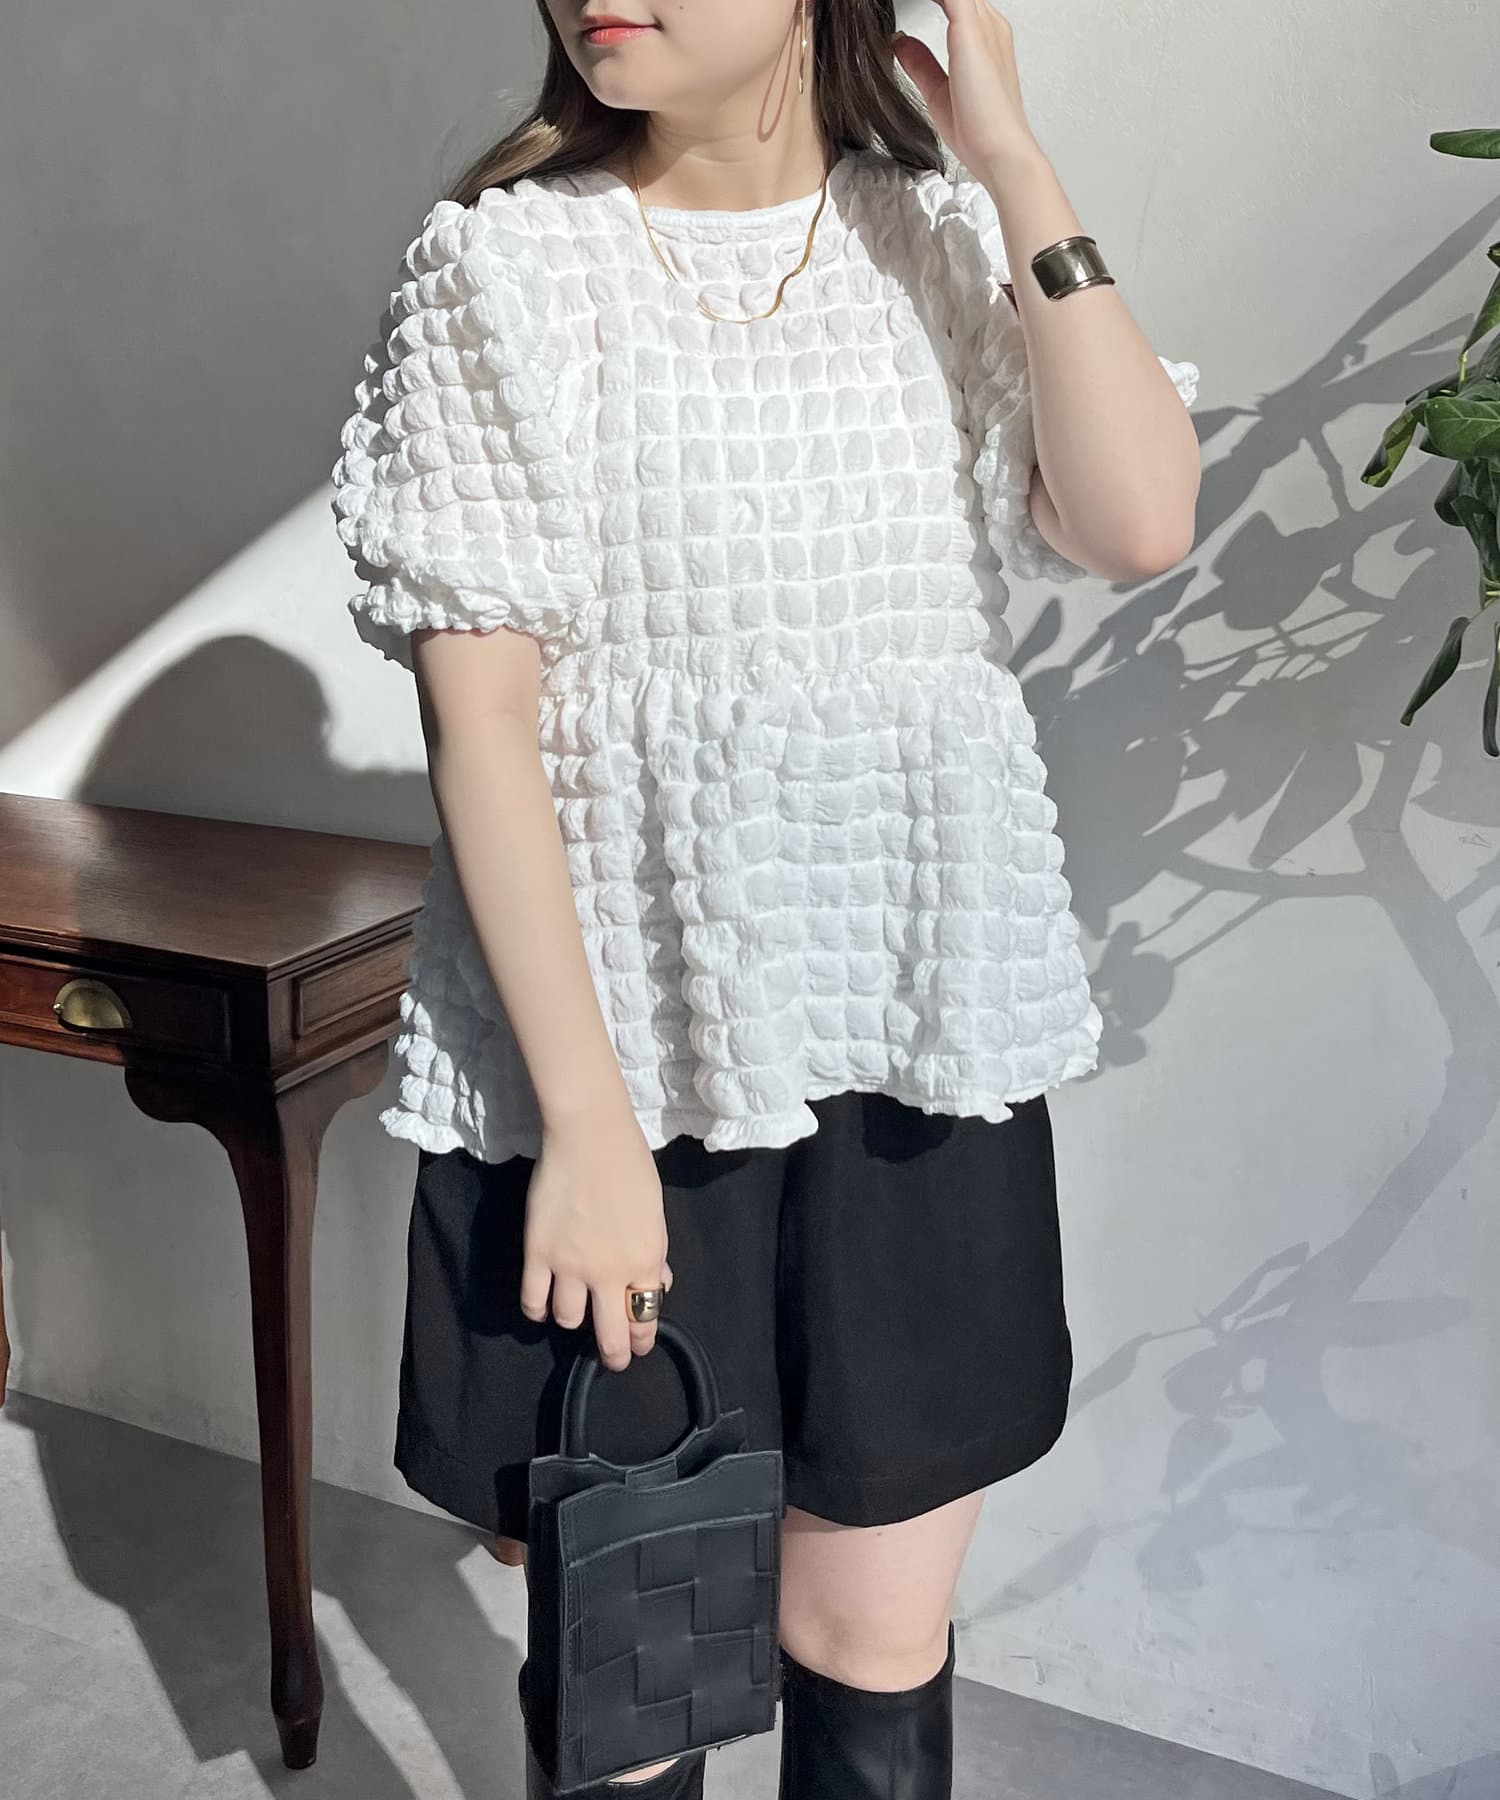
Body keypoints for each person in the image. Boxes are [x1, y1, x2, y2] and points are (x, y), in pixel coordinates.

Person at [331, 0, 1202, 1794]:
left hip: (913, 1059)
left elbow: (1137, 522)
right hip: (616, 1073)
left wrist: (1014, 160)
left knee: (874, 1647)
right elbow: (481, 730)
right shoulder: (506, 269)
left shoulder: (943, 239)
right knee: (638, 1676)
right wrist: (588, 1133)